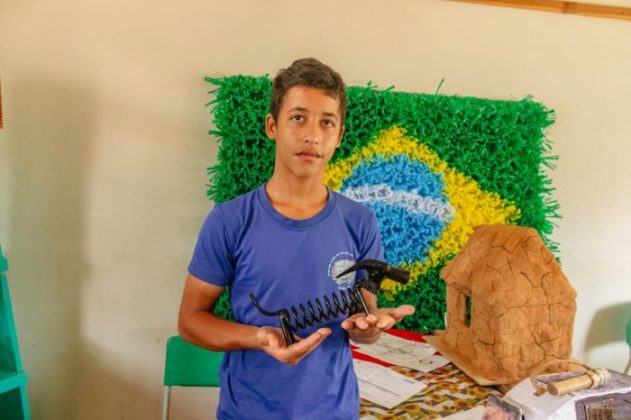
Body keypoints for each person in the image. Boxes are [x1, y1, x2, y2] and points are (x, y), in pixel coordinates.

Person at [178, 57, 415, 420]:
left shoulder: (360, 222)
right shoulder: (229, 221)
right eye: (298, 118)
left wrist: (369, 329)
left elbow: (363, 315)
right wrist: (260, 337)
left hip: (335, 411)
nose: (312, 135)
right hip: (248, 412)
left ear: (339, 135)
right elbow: (190, 321)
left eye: (326, 122)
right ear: (272, 125)